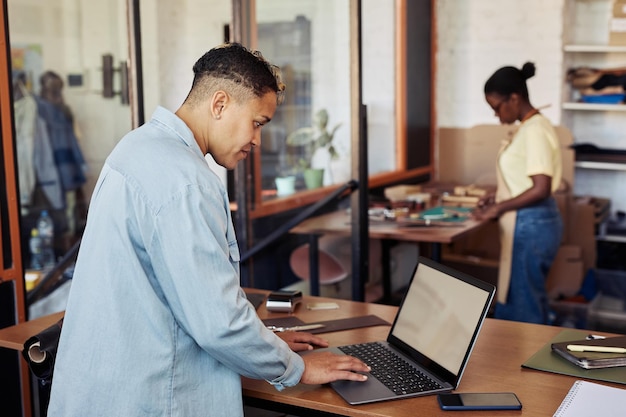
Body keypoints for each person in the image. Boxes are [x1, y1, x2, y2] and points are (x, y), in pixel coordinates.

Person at [47, 43, 370, 416]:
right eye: (257, 123)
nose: (257, 140)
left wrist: (267, 342)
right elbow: (220, 325)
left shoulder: (134, 147)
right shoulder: (187, 182)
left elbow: (174, 293)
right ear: (219, 104)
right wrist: (297, 367)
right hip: (153, 397)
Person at [475, 62, 563, 324]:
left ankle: (522, 363)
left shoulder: (534, 130)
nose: (495, 114)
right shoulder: (529, 127)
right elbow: (523, 181)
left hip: (531, 222)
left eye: (496, 107)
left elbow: (540, 188)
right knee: (524, 299)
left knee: (523, 307)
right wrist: (498, 195)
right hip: (530, 220)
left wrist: (499, 207)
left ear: (514, 98)